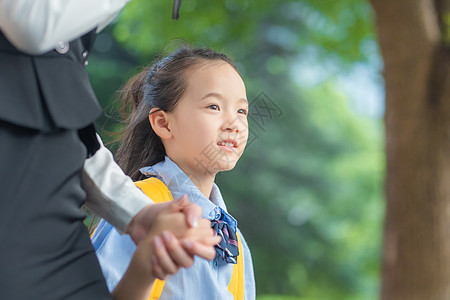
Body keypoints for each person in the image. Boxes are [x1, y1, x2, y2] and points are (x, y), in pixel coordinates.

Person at [0, 1, 218, 299]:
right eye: (214, 106)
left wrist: (137, 213)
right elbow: (30, 24)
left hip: (61, 232)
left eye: (244, 111)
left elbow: (68, 130)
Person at [92, 46, 256, 299]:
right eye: (213, 106)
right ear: (163, 123)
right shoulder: (139, 209)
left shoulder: (235, 241)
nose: (233, 124)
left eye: (241, 111)